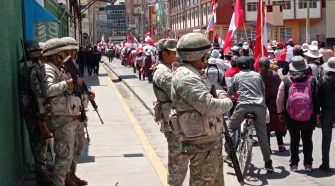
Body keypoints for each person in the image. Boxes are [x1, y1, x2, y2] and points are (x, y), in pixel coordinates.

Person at [171, 33, 233, 185]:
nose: (207, 59)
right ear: (197, 55)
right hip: (202, 144)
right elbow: (209, 106)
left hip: (208, 141)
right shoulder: (188, 77)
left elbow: (208, 91)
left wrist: (219, 93)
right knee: (204, 182)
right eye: (205, 55)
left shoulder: (194, 73)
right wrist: (228, 102)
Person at [42, 38, 84, 186]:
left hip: (66, 117)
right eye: (64, 52)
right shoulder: (48, 68)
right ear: (56, 54)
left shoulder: (57, 67)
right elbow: (48, 90)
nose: (67, 54)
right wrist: (67, 84)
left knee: (67, 156)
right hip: (60, 120)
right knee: (63, 158)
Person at [228, 56, 274, 173]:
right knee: (262, 134)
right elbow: (262, 91)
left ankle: (229, 155)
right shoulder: (257, 75)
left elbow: (231, 92)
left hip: (242, 106)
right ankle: (268, 163)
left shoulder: (237, 76)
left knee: (232, 128)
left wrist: (231, 98)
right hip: (259, 106)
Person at [152, 39, 189, 186]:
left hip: (178, 121)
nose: (178, 56)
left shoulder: (171, 68)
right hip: (173, 123)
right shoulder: (163, 73)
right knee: (177, 161)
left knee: (181, 159)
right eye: (175, 53)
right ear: (165, 54)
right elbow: (181, 93)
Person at [61, 37, 95, 185]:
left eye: (75, 49)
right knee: (68, 149)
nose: (74, 52)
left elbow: (80, 87)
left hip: (78, 111)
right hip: (68, 113)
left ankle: (72, 174)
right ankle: (67, 177)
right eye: (71, 50)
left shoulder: (73, 65)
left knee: (79, 144)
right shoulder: (62, 68)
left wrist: (88, 94)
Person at [276, 56, 319, 172]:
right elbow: (316, 98)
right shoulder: (313, 80)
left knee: (294, 139)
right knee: (307, 139)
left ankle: (294, 165)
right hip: (309, 115)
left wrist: (280, 112)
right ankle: (308, 164)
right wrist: (317, 113)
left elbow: (279, 99)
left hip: (290, 115)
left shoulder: (286, 80)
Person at [19, 40, 51, 185]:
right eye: (38, 50)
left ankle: (42, 167)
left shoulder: (26, 67)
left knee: (40, 140)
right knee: (40, 141)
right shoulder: (32, 68)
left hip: (31, 109)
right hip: (35, 109)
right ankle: (41, 173)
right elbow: (37, 91)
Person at [258, 57, 287, 153]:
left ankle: (268, 147)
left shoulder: (258, 76)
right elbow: (279, 91)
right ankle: (281, 145)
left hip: (263, 105)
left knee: (266, 127)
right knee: (278, 125)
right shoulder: (275, 75)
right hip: (274, 105)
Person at [318, 57, 335, 172]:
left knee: (326, 139)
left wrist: (317, 113)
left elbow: (318, 99)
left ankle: (325, 164)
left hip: (326, 111)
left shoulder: (322, 80)